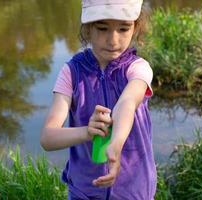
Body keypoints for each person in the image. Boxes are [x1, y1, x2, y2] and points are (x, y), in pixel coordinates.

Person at [40, 0, 157, 199]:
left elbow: (127, 103)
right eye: (102, 28)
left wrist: (115, 144)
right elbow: (47, 138)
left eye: (123, 28)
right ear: (87, 29)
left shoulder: (138, 68)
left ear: (135, 27)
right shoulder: (71, 72)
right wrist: (87, 132)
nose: (113, 40)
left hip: (133, 190)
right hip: (84, 192)